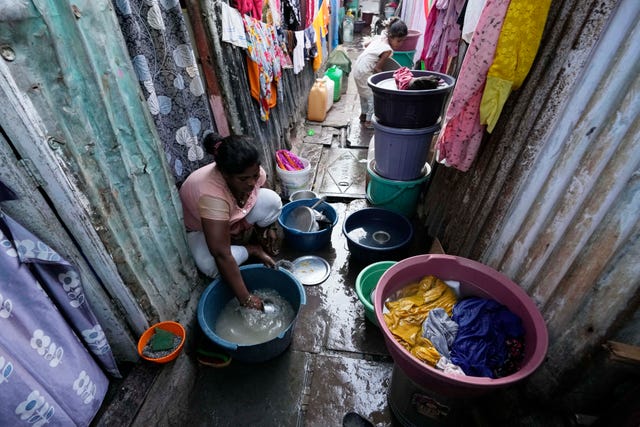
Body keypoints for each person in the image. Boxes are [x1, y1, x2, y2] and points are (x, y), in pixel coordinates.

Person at [179, 133, 283, 311]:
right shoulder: (211, 195)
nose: (251, 183)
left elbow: (261, 190)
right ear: (225, 175)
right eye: (243, 179)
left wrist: (270, 226)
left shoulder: (252, 173)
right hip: (202, 230)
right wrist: (246, 298)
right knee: (210, 265)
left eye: (254, 175)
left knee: (272, 201)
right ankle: (250, 248)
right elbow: (221, 254)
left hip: (232, 219)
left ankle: (242, 235)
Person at [351, 17, 408, 129]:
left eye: (403, 41)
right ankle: (368, 121)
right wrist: (386, 82)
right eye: (398, 41)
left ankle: (363, 115)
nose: (400, 44)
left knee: (363, 94)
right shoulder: (387, 50)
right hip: (365, 70)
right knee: (372, 96)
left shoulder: (381, 37)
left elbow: (367, 45)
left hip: (358, 66)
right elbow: (377, 69)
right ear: (391, 37)